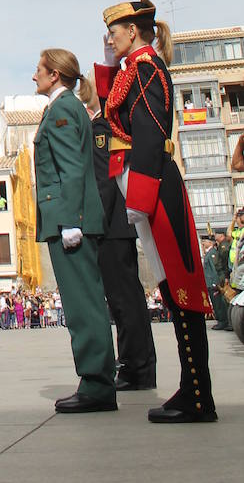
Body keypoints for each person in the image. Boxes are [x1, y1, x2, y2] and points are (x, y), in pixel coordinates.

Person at [96, 0, 216, 424]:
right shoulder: (138, 69)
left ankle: (197, 395)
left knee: (180, 289)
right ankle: (193, 390)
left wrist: (139, 198)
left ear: (133, 31)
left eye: (114, 32)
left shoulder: (145, 68)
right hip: (152, 186)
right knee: (171, 288)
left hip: (155, 186)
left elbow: (147, 134)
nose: (110, 39)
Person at [33, 47, 116, 413]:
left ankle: (97, 383)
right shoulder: (64, 107)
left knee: (83, 304)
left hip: (70, 221)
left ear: (54, 75)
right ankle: (97, 379)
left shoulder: (63, 109)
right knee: (84, 301)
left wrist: (70, 221)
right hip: (71, 218)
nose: (34, 75)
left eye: (39, 69)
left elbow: (70, 169)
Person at [82, 78, 157, 389]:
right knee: (128, 300)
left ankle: (135, 367)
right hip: (118, 226)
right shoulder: (108, 128)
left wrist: (92, 223)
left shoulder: (100, 129)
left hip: (111, 227)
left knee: (124, 302)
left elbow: (103, 182)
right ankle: (137, 365)